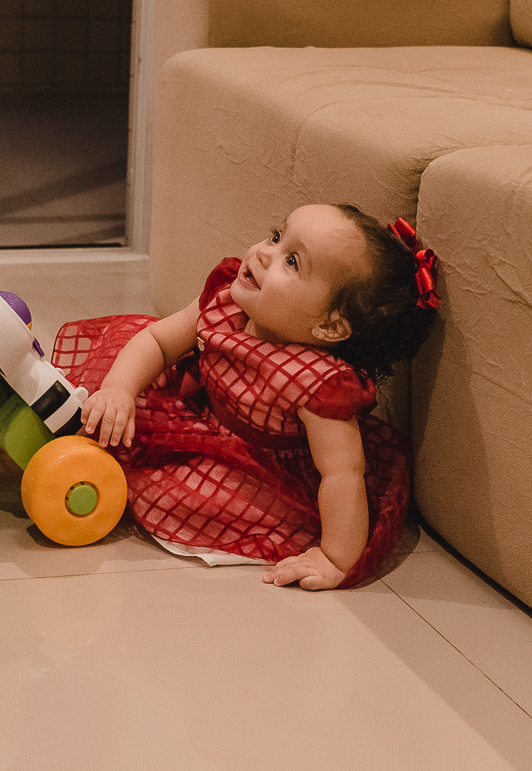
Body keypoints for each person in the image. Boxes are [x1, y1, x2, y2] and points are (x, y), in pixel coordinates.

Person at [52, 204, 440, 589]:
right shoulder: (227, 300)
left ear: (330, 325)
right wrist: (119, 389)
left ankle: (94, 474)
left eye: (291, 261)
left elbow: (341, 475)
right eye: (275, 235)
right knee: (114, 390)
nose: (263, 252)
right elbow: (158, 340)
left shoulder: (318, 385)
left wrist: (336, 557)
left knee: (185, 497)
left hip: (254, 467)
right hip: (189, 407)